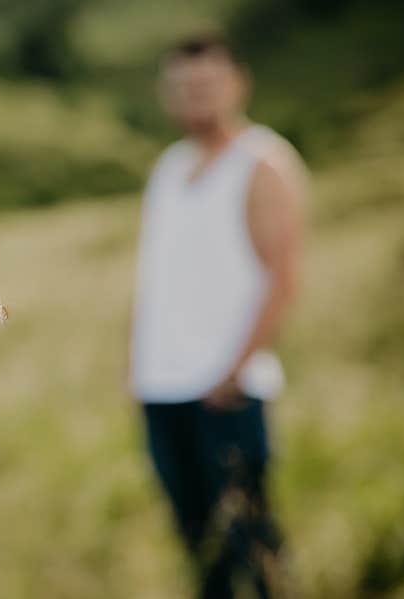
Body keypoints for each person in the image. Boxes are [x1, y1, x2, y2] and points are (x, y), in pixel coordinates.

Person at [129, 33, 307, 598]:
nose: (193, 96)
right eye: (181, 86)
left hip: (226, 392)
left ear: (238, 83)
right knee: (199, 550)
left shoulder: (264, 162)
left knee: (250, 549)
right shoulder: (169, 166)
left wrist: (233, 372)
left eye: (206, 83)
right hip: (161, 389)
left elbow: (283, 279)